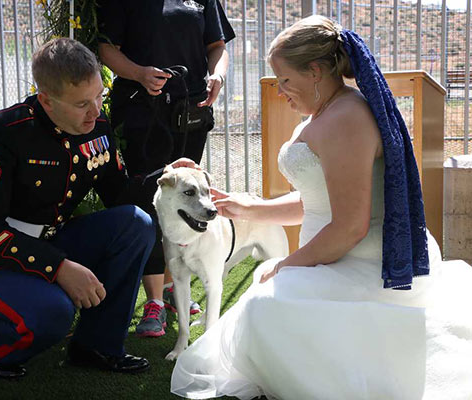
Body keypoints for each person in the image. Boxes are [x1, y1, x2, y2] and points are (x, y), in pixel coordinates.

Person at [170, 15, 472, 400]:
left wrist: (285, 266)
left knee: (264, 305)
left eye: (285, 81)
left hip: (364, 264)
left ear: (315, 71)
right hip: (337, 257)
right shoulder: (325, 112)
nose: (281, 92)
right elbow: (318, 202)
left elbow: (349, 227)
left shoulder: (347, 117)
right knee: (265, 300)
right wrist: (247, 210)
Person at [0, 38, 155, 379]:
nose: (96, 111)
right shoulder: (1, 133)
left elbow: (121, 194)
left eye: (100, 96)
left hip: (50, 241)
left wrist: (168, 177)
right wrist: (59, 268)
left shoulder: (95, 126)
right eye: (82, 103)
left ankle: (97, 345)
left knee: (134, 224)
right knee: (56, 313)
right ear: (46, 100)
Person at [97, 0, 236, 338]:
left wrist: (217, 74)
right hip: (143, 114)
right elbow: (105, 49)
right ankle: (155, 302)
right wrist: (139, 74)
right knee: (150, 204)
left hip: (192, 113)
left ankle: (177, 287)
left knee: (183, 205)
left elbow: (217, 46)